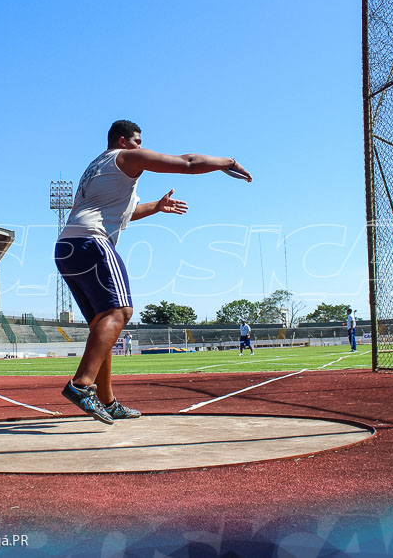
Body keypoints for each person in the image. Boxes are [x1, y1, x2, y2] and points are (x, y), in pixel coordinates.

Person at [55, 120, 252, 424]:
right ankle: (81, 385)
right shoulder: (125, 156)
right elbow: (187, 163)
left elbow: (125, 213)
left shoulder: (98, 167)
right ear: (122, 140)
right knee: (120, 311)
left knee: (103, 326)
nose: (141, 147)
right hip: (91, 241)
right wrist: (228, 162)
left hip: (67, 247)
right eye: (137, 141)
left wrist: (157, 207)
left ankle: (107, 400)